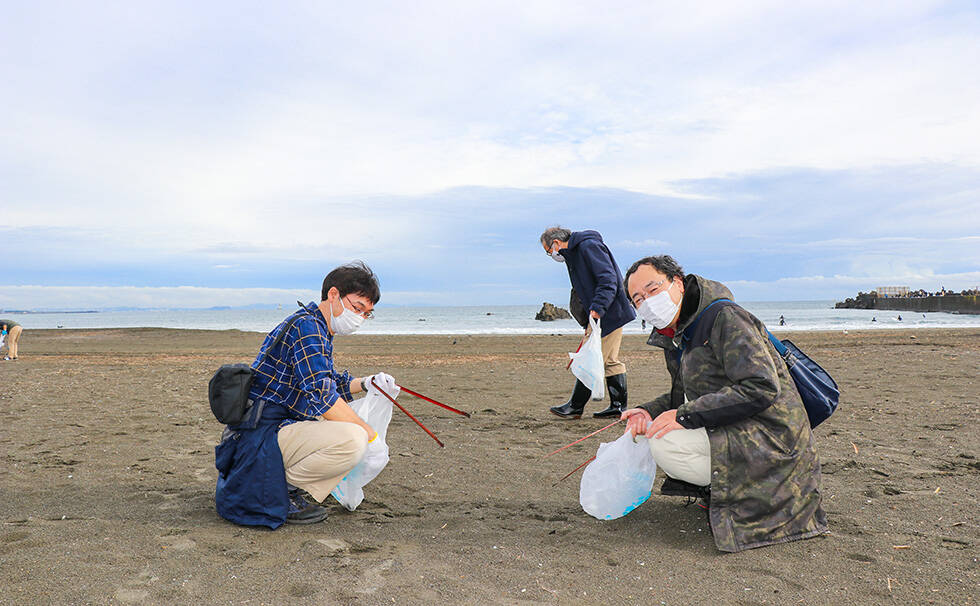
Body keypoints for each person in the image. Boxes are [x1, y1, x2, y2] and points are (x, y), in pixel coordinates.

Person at [620, 255, 827, 552]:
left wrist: (683, 416)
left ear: (677, 283)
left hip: (773, 435)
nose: (646, 303)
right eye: (637, 299)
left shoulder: (725, 317)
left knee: (665, 442)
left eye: (653, 290)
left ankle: (752, 496)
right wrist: (648, 411)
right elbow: (685, 396)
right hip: (740, 424)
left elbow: (761, 387)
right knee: (648, 430)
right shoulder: (679, 333)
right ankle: (722, 489)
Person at [215, 261, 397, 528]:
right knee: (354, 440)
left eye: (367, 313)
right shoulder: (308, 329)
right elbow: (323, 398)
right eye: (358, 308)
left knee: (349, 423)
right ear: (333, 295)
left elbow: (325, 380)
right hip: (261, 433)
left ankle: (283, 483)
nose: (360, 318)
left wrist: (368, 383)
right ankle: (282, 489)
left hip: (261, 431)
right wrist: (371, 436)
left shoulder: (314, 326)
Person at [541, 227, 636, 418]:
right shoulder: (574, 254)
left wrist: (598, 308)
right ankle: (617, 407)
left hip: (609, 311)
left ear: (556, 243)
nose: (550, 254)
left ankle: (576, 406)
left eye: (548, 250)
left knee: (593, 357)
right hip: (603, 312)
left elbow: (608, 279)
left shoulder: (588, 246)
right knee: (607, 359)